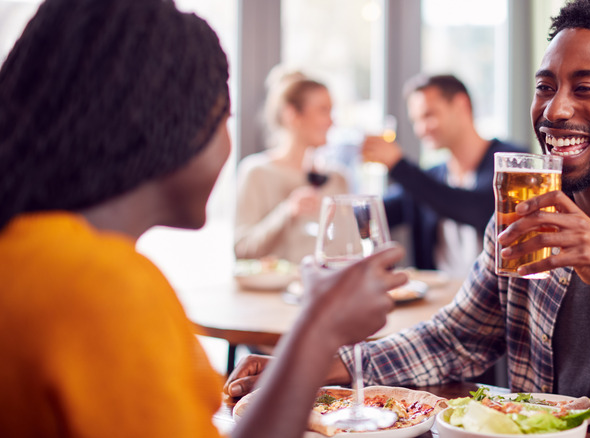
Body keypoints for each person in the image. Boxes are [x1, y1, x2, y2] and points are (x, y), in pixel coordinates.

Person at [225, 0, 590, 433]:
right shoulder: (523, 209)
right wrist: (314, 368)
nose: (555, 109)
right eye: (545, 87)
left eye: (586, 88)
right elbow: (456, 338)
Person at [0, 1, 407, 437]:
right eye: (223, 117)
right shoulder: (102, 288)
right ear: (169, 123)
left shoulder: (29, 255)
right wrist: (319, 329)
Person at [362, 74, 526, 275]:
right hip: (440, 299)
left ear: (461, 105)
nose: (421, 129)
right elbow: (373, 214)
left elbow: (480, 209)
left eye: (429, 115)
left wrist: (399, 166)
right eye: (416, 121)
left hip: (496, 301)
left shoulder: (513, 162)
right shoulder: (431, 178)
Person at [234, 68, 349, 263]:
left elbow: (349, 251)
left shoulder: (337, 178)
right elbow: (242, 250)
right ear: (291, 114)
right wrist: (287, 211)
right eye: (323, 111)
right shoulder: (257, 172)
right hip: (273, 292)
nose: (332, 122)